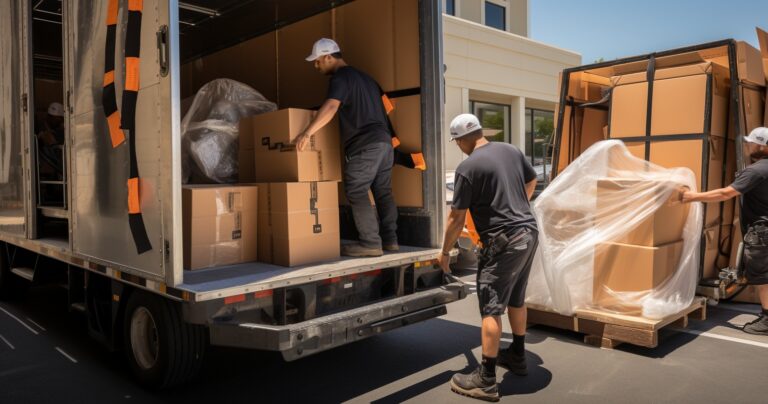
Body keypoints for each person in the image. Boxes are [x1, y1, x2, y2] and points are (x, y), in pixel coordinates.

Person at [438, 114, 539, 401]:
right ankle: (517, 355)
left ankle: (485, 379)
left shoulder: (467, 167)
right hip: (528, 232)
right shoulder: (510, 150)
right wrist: (517, 207)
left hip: (503, 242)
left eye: (456, 141)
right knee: (516, 298)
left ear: (461, 139)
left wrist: (445, 253)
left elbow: (456, 218)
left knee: (492, 308)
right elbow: (531, 180)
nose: (458, 146)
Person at [294, 38, 397, 257]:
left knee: (357, 189)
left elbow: (331, 106)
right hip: (384, 143)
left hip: (365, 145)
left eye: (318, 61)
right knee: (383, 192)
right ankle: (390, 240)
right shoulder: (368, 79)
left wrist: (307, 133)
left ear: (329, 57)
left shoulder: (341, 78)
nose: (316, 66)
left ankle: (370, 243)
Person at [683, 127, 768, 336]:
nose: (748, 145)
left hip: (762, 232)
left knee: (763, 278)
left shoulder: (756, 170)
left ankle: (767, 320)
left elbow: (725, 193)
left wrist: (690, 197)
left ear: (762, 146)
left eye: (751, 142)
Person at [37, 102, 66, 178]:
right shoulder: (42, 130)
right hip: (46, 170)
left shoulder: (57, 130)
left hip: (54, 171)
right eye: (59, 120)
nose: (60, 122)